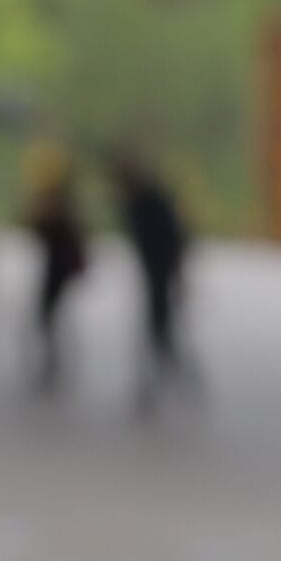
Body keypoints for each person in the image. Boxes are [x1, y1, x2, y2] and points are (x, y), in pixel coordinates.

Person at [114, 149, 200, 416]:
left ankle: (164, 385)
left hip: (161, 274)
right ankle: (160, 385)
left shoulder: (150, 200)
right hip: (154, 274)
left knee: (160, 332)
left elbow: (174, 238)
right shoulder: (135, 201)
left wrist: (179, 273)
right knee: (159, 333)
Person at [23, 140, 87, 397]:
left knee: (48, 316)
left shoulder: (59, 207)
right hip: (56, 267)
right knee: (49, 317)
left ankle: (54, 362)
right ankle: (53, 361)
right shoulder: (61, 205)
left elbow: (40, 228)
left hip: (58, 269)